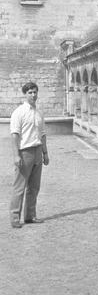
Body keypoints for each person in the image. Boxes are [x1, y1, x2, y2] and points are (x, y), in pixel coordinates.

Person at [9, 82, 49, 228]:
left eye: (35, 92)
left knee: (34, 187)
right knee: (19, 187)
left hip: (38, 151)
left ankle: (30, 216)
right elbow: (14, 135)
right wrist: (16, 156)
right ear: (25, 94)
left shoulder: (39, 114)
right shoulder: (18, 112)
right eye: (30, 92)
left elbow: (43, 134)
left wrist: (45, 153)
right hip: (25, 152)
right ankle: (14, 218)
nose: (33, 95)